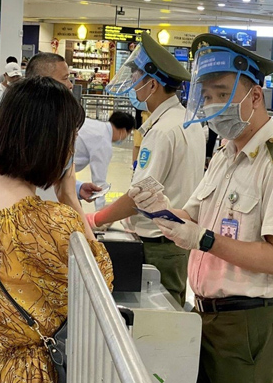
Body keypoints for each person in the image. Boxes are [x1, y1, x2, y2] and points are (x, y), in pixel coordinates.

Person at [132, 33, 273, 382]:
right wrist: (159, 210)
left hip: (246, 322)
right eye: (208, 96)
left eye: (223, 94)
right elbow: (192, 217)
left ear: (255, 95)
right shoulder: (225, 154)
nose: (213, 105)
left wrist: (205, 240)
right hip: (204, 313)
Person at [0, 76, 113, 382]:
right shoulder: (49, 221)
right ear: (52, 143)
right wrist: (69, 198)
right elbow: (99, 286)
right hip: (31, 371)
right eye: (69, 140)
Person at [87, 32, 205, 306]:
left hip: (158, 246)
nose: (133, 85)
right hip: (174, 242)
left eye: (137, 78)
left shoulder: (163, 130)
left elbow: (139, 196)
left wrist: (97, 219)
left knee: (159, 322)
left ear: (153, 84)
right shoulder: (187, 120)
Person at [24, 52, 103, 202]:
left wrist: (76, 187)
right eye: (65, 78)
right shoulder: (31, 128)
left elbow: (57, 177)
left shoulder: (59, 121)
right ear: (43, 82)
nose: (70, 85)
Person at [75, 111, 136, 209]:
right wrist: (100, 212)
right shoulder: (103, 141)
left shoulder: (96, 126)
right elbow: (99, 181)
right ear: (123, 131)